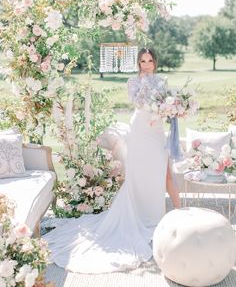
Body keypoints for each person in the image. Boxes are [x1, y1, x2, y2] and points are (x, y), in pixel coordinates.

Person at [44, 47, 181, 274]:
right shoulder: (132, 81)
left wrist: (173, 108)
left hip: (156, 132)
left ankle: (162, 215)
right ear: (138, 63)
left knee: (160, 173)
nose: (146, 65)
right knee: (138, 175)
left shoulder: (163, 80)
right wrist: (147, 86)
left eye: (149, 61)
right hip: (139, 131)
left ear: (155, 62)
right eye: (142, 61)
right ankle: (140, 215)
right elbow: (138, 102)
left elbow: (166, 107)